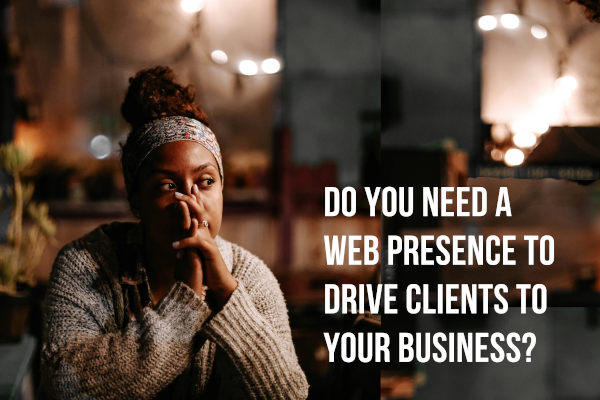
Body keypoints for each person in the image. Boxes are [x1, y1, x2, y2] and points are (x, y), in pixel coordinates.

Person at [40, 66, 309, 399]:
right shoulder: (87, 265)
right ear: (136, 200)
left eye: (206, 181)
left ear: (222, 189)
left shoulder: (249, 277)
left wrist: (226, 293)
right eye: (168, 186)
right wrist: (185, 302)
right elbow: (64, 387)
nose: (190, 202)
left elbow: (289, 396)